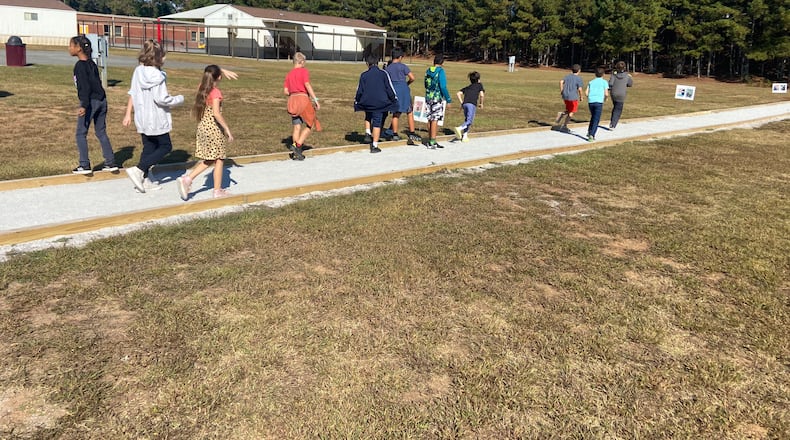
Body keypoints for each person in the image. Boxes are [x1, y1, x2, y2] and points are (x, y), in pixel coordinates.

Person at [177, 65, 234, 200]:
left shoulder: (202, 87)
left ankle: (190, 180)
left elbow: (210, 71)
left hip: (203, 126)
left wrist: (221, 70)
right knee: (219, 159)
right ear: (219, 77)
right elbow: (216, 114)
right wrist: (227, 129)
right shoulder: (216, 93)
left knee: (210, 158)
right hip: (213, 128)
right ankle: (214, 189)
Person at [69, 35, 117, 175]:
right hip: (102, 100)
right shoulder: (92, 63)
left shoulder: (79, 66)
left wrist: (83, 105)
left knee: (80, 133)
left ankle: (84, 165)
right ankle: (110, 162)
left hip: (90, 102)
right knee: (101, 131)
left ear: (78, 49)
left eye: (71, 46)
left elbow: (84, 87)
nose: (69, 48)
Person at [354, 54, 398, 153]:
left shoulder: (363, 75)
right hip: (380, 102)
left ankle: (367, 133)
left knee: (368, 115)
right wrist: (394, 99)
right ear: (378, 63)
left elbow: (359, 90)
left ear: (367, 63)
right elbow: (389, 88)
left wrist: (357, 100)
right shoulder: (384, 74)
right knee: (377, 122)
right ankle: (374, 145)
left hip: (367, 101)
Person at [284, 52, 321, 161]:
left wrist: (293, 91)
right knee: (311, 123)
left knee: (297, 127)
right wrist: (315, 99)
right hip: (303, 100)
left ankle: (297, 153)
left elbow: (286, 91)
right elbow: (307, 84)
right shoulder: (303, 71)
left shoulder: (289, 74)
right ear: (301, 62)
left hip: (292, 101)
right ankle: (298, 145)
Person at [384, 48, 420, 144]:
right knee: (409, 111)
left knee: (396, 113)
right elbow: (412, 77)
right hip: (404, 90)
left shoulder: (388, 68)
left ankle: (394, 134)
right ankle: (412, 132)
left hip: (394, 91)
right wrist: (407, 83)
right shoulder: (403, 66)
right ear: (400, 57)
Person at [424, 54, 452, 149]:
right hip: (437, 97)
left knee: (429, 118)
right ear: (442, 63)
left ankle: (430, 139)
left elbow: (425, 84)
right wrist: (448, 99)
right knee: (435, 119)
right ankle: (433, 141)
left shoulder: (428, 70)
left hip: (428, 96)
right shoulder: (441, 71)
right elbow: (443, 86)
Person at [454, 71, 485, 142]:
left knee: (467, 120)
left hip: (465, 104)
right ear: (478, 79)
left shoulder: (468, 87)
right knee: (469, 120)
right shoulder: (479, 85)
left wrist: (462, 103)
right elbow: (482, 95)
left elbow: (458, 93)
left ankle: (465, 136)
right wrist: (481, 103)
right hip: (472, 104)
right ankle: (459, 128)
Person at [556, 64, 584, 131]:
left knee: (569, 109)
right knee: (572, 111)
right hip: (573, 97)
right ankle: (564, 126)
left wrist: (562, 90)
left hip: (565, 96)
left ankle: (562, 114)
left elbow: (561, 82)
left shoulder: (568, 76)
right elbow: (580, 89)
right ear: (579, 71)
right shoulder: (578, 79)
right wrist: (581, 97)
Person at [585, 67, 609, 142]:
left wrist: (590, 97)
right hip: (599, 102)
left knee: (593, 116)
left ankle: (589, 131)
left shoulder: (591, 82)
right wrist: (605, 98)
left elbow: (586, 93)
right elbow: (606, 93)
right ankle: (592, 135)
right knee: (596, 119)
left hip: (591, 102)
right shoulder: (604, 82)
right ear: (603, 74)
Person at [608, 60, 633, 129]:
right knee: (618, 109)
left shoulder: (614, 75)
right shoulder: (627, 76)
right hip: (621, 94)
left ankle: (612, 121)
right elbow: (630, 84)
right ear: (624, 67)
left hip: (613, 93)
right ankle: (613, 124)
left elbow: (610, 84)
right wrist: (630, 78)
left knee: (615, 107)